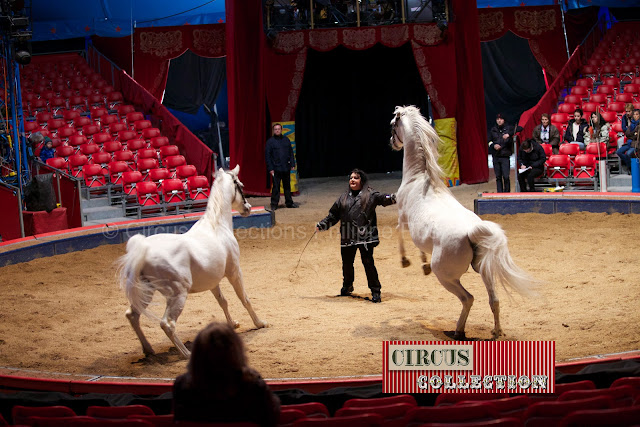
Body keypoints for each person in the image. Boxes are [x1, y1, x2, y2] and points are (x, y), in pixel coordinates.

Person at [173, 322, 280, 426]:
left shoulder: (182, 386)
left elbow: (177, 417)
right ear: (237, 351)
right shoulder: (253, 385)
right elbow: (272, 416)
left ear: (196, 355)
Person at [316, 169, 396, 303]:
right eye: (351, 178)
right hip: (347, 236)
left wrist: (397, 197)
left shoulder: (371, 194)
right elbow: (333, 215)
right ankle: (347, 286)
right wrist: (322, 225)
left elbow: (384, 199)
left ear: (362, 181)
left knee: (368, 263)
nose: (352, 180)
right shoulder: (343, 198)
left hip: (366, 236)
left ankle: (375, 291)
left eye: (356, 178)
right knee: (347, 264)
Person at [265, 123, 298, 211]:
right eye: (275, 129)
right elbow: (267, 156)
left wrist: (292, 164)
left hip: (286, 167)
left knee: (287, 186)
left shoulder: (286, 140)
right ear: (273, 130)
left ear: (281, 129)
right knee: (276, 187)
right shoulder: (270, 142)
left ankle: (289, 203)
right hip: (276, 168)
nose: (277, 130)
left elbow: (291, 152)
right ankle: (274, 204)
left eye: (278, 129)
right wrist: (270, 168)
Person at [489, 113, 514, 193]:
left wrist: (509, 135)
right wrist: (493, 145)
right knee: (498, 176)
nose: (499, 121)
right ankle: (499, 193)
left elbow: (518, 129)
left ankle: (507, 192)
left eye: (501, 119)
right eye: (498, 119)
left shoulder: (509, 129)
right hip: (496, 156)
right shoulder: (493, 130)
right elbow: (489, 141)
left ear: (504, 120)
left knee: (506, 176)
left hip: (505, 156)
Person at [617, 108, 640, 174]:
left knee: (628, 153)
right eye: (634, 114)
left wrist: (633, 134)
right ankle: (629, 165)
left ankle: (631, 168)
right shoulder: (632, 124)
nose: (635, 116)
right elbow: (627, 133)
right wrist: (634, 134)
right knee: (619, 152)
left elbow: (637, 136)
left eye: (637, 114)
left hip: (636, 143)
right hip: (629, 142)